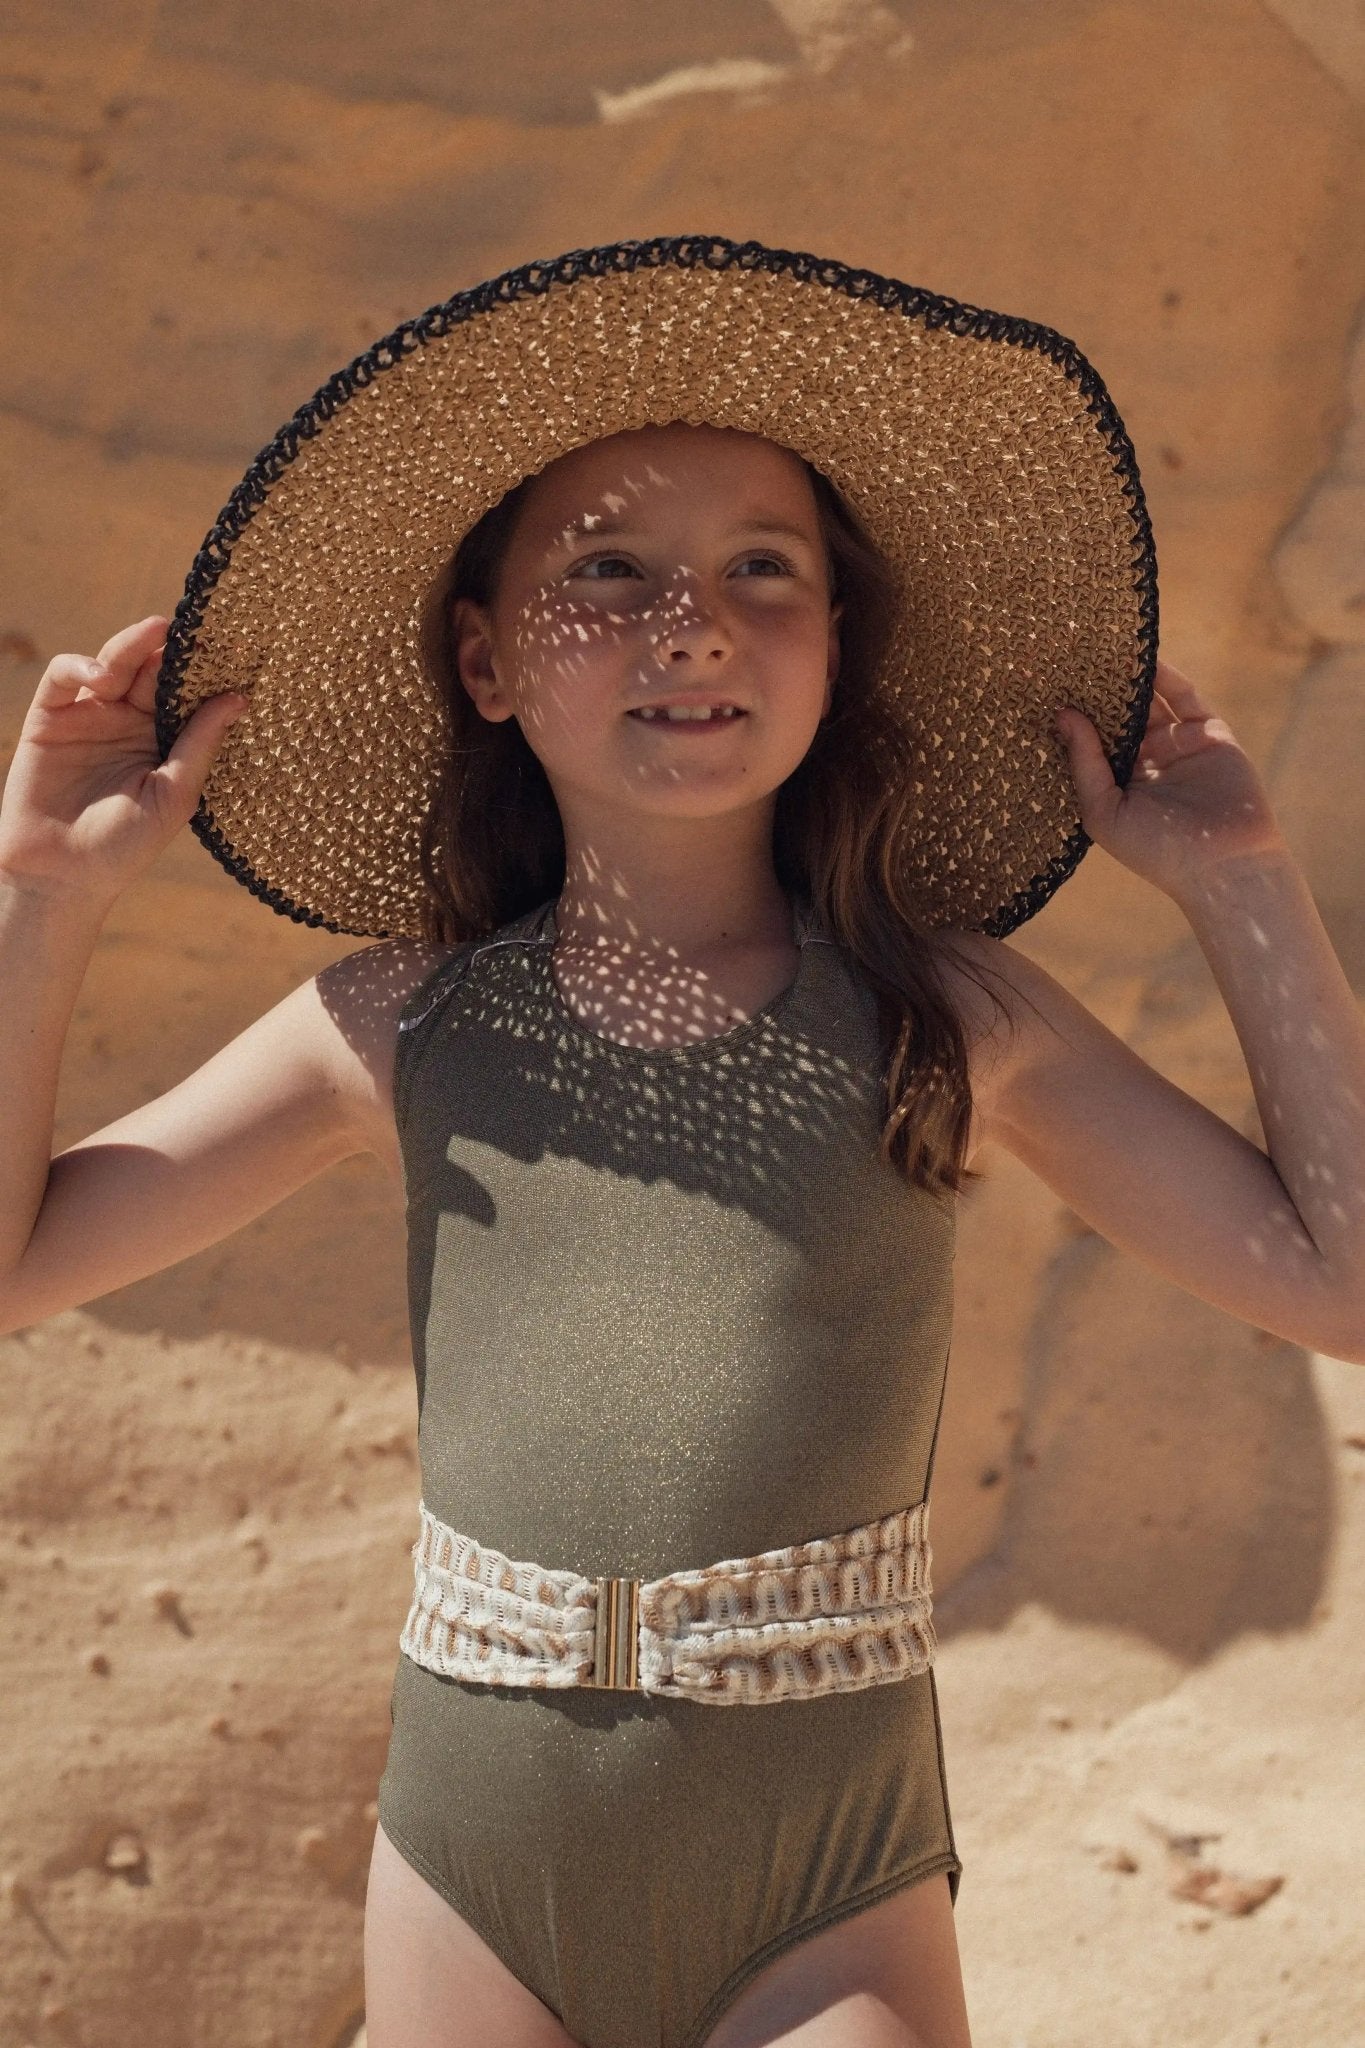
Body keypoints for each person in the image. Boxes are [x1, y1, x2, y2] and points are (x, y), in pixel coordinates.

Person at [3, 239, 1363, 2048]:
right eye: (609, 572)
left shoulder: (946, 1011)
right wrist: (42, 903)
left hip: (823, 1899)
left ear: (834, 646)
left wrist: (1242, 888)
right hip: (478, 1880)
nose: (691, 621)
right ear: (482, 661)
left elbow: (1342, 1285)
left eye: (760, 571)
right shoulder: (396, 1026)